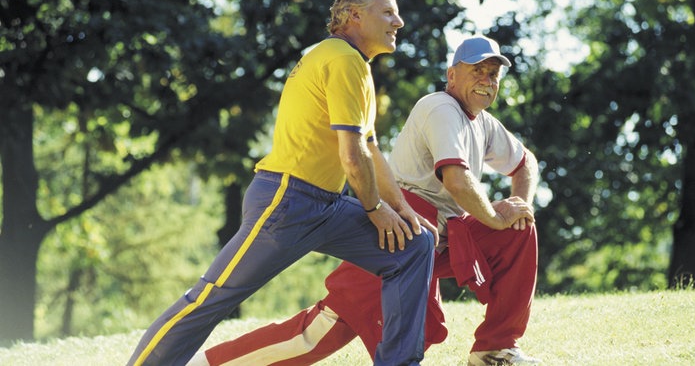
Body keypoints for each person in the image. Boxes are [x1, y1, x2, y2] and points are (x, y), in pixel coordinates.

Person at [127, 0, 438, 366]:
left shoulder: (355, 65)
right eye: (389, 12)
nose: (399, 22)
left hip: (326, 205)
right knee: (212, 296)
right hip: (287, 200)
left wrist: (403, 211)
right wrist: (377, 210)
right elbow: (352, 152)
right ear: (355, 16)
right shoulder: (341, 59)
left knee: (413, 245)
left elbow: (371, 148)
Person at [187, 35, 542, 366]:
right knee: (326, 328)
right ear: (451, 75)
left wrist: (519, 206)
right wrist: (497, 216)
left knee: (519, 230)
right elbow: (458, 181)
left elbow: (526, 162)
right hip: (403, 229)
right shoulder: (441, 107)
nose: (487, 79)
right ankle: (210, 363)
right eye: (477, 70)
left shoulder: (484, 123)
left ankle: (495, 349)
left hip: (446, 236)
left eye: (493, 73)